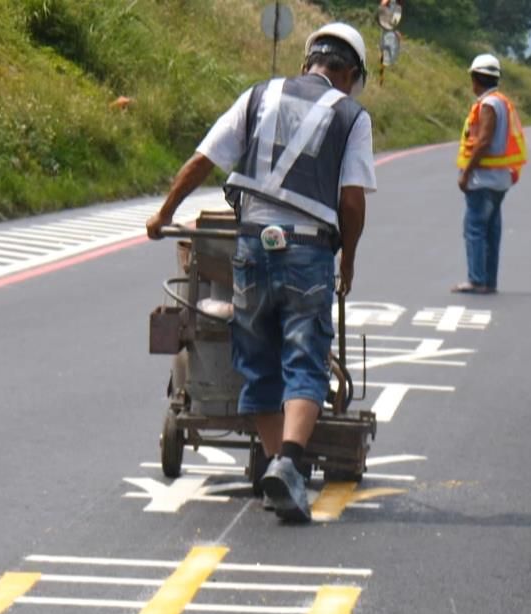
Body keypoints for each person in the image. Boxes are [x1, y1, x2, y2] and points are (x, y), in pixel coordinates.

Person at [147, 23, 374, 524]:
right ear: (351, 74)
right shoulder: (352, 117)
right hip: (309, 251)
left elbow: (203, 160)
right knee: (305, 357)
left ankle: (280, 471)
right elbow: (352, 199)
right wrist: (349, 260)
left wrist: (164, 214)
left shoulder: (258, 96)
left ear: (307, 61)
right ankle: (289, 464)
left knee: (258, 361)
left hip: (250, 247)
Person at [454, 53, 526, 295]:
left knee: (475, 229)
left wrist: (466, 174)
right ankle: (489, 281)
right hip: (499, 179)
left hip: (483, 179)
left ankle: (476, 280)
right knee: (491, 230)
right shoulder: (502, 101)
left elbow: (483, 141)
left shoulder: (488, 105)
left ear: (476, 78)